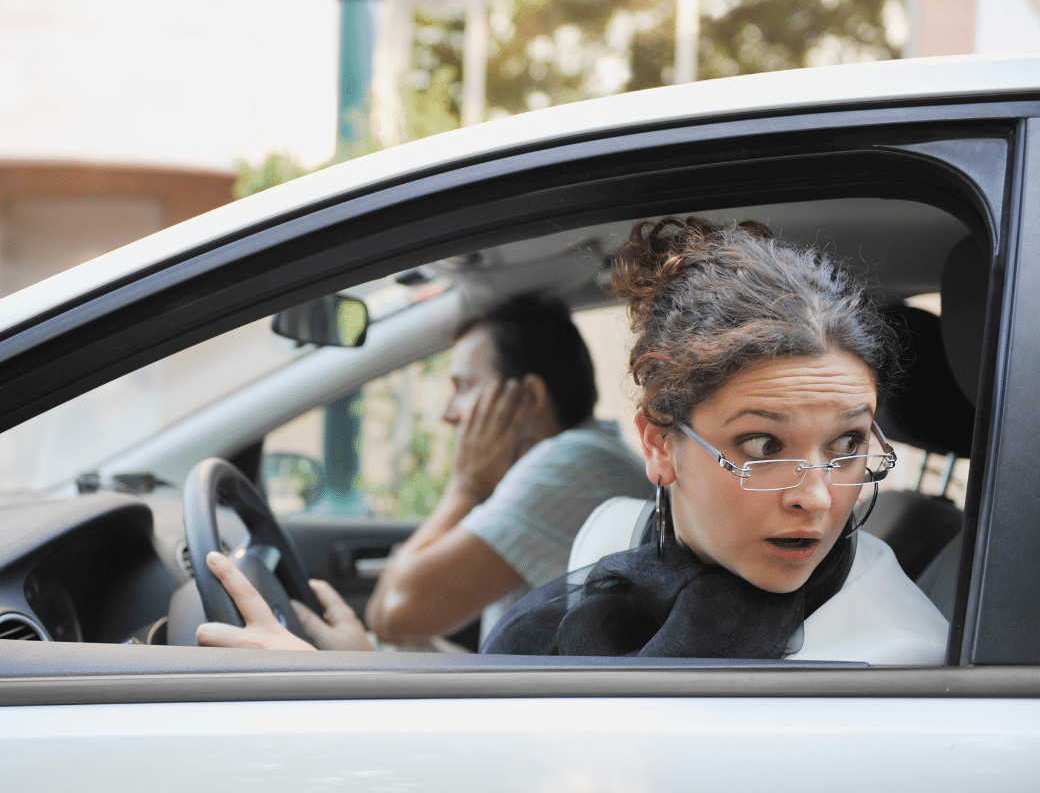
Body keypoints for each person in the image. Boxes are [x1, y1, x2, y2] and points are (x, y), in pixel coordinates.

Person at [196, 217, 949, 664]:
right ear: (659, 446)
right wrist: (347, 679)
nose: (818, 497)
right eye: (761, 447)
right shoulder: (610, 538)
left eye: (849, 446)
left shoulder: (890, 661)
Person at [364, 296, 651, 644]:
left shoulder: (569, 464)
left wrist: (467, 487)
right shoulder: (590, 452)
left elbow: (396, 615)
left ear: (528, 398)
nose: (447, 412)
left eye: (465, 387)